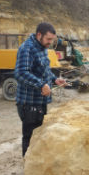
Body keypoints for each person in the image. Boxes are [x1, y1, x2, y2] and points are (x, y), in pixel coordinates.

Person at [14, 22, 67, 156]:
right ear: (39, 35)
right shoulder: (27, 48)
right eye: (48, 39)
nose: (50, 42)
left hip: (40, 102)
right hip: (29, 104)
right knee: (30, 138)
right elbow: (20, 73)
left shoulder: (42, 47)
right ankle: (29, 169)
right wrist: (41, 85)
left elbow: (44, 70)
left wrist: (54, 79)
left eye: (52, 40)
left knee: (38, 137)